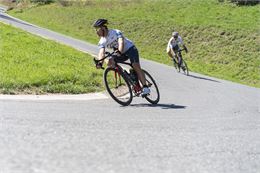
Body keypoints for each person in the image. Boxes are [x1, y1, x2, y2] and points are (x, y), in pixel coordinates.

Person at [93, 18, 150, 95]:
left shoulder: (115, 32)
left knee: (135, 66)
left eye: (97, 29)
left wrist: (119, 50)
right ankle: (129, 78)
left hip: (130, 49)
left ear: (103, 28)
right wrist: (100, 62)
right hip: (120, 53)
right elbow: (101, 52)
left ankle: (145, 87)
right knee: (109, 61)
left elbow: (121, 42)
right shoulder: (101, 41)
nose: (96, 32)